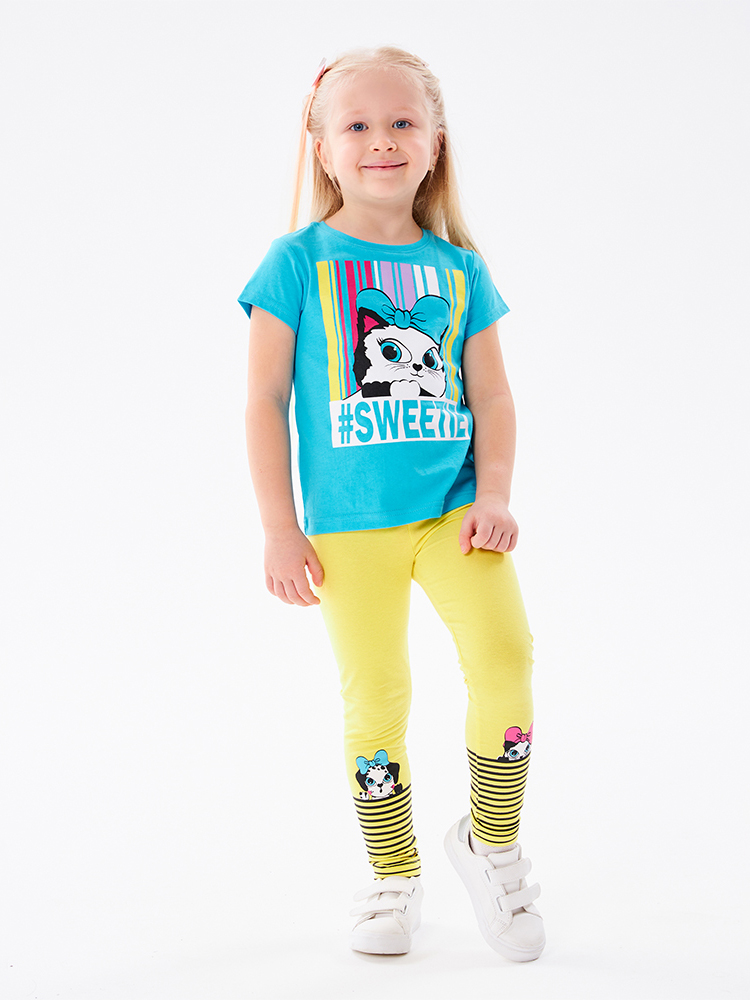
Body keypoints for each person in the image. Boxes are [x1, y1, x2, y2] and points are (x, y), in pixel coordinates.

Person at [238, 46, 545, 962]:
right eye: (359, 125)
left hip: (454, 513)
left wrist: (496, 493)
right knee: (376, 698)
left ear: (435, 142)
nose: (382, 140)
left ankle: (492, 841)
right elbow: (263, 400)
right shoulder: (296, 262)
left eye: (403, 122)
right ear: (324, 148)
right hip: (347, 527)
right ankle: (393, 870)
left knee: (506, 660)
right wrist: (279, 526)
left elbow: (494, 396)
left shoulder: (461, 271)